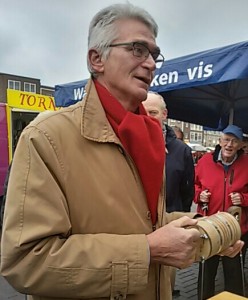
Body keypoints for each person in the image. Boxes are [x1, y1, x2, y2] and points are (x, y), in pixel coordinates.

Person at [0, 4, 242, 300]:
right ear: (96, 59)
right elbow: (25, 261)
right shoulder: (46, 137)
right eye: (138, 49)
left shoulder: (149, 136)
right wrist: (148, 251)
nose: (151, 63)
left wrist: (208, 230)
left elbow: (145, 223)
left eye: (154, 54)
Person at [143, 92, 195, 296]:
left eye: (153, 112)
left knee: (165, 285)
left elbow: (187, 190)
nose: (147, 117)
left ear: (164, 115)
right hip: (138, 230)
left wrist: (181, 220)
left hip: (170, 223)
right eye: (143, 111)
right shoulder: (128, 142)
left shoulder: (181, 150)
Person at [194, 124, 248, 299]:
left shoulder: (247, 163)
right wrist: (199, 195)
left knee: (234, 275)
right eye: (226, 139)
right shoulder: (204, 161)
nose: (229, 145)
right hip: (209, 228)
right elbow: (193, 186)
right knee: (206, 274)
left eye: (234, 141)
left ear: (240, 145)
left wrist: (244, 199)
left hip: (235, 229)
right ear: (220, 141)